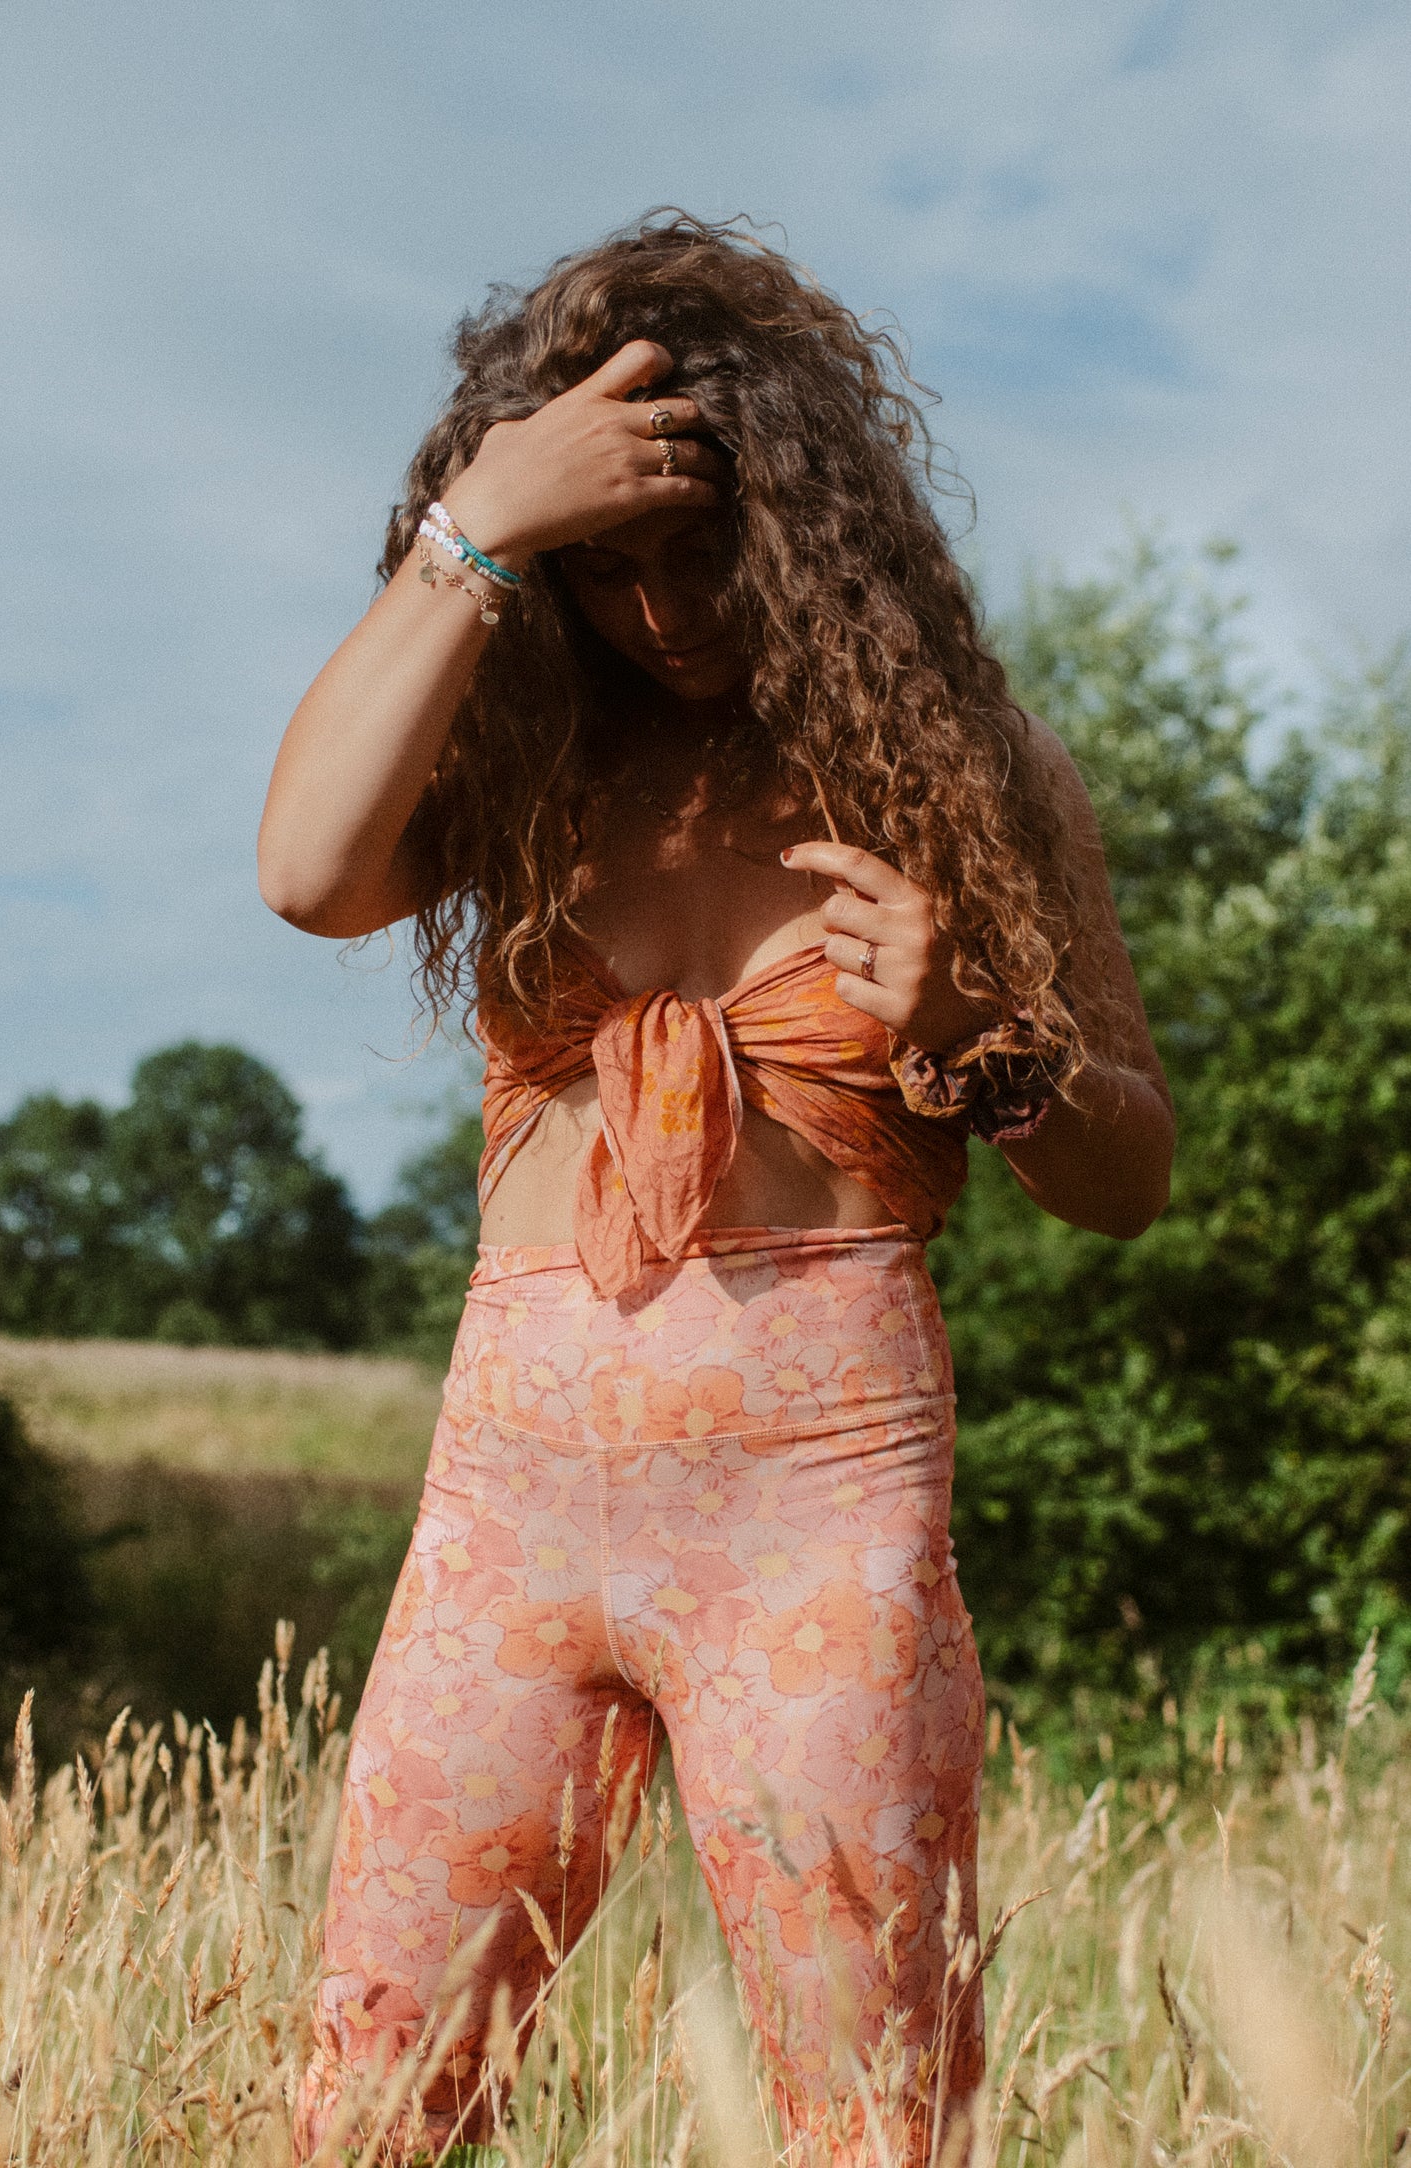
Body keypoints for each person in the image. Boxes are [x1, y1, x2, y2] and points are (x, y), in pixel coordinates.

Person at [260, 211, 1173, 2165]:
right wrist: (485, 517)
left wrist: (991, 1039)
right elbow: (309, 869)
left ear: (807, 526)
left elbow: (1132, 1171)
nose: (664, 612)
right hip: (508, 1495)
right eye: (613, 573)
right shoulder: (527, 760)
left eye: (705, 555)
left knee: (879, 2112)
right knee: (375, 2095)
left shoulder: (977, 771)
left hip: (818, 1508)